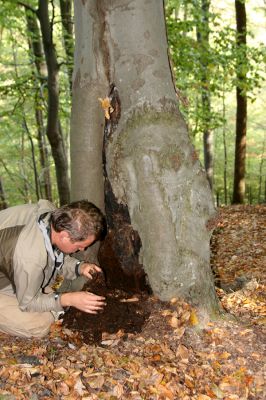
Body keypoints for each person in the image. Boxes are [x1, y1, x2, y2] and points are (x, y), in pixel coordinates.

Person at [0, 199, 107, 338]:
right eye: (80, 246)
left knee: (49, 290)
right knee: (41, 323)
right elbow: (28, 303)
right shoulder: (30, 255)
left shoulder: (51, 219)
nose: (83, 249)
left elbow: (54, 255)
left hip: (9, 269)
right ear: (64, 236)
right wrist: (68, 299)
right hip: (13, 271)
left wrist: (79, 267)